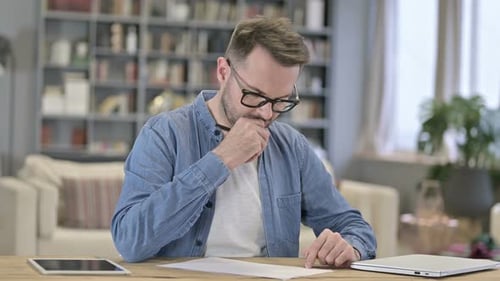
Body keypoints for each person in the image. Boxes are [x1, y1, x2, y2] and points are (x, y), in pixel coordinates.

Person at [111, 16, 376, 268]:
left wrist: (349, 246)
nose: (267, 113)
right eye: (255, 95)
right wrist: (221, 159)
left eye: (280, 101)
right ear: (223, 71)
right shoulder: (165, 134)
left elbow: (354, 226)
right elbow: (130, 241)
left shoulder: (291, 147)